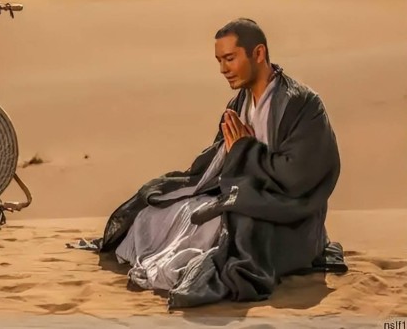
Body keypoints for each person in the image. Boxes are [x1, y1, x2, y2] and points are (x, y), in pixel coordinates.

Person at [96, 18, 348, 308]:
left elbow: (298, 176)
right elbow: (220, 166)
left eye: (230, 58)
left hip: (287, 217)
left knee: (229, 227)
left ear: (258, 53)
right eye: (219, 61)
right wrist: (226, 166)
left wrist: (245, 150)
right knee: (156, 211)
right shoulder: (237, 104)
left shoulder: (301, 104)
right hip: (242, 198)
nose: (223, 69)